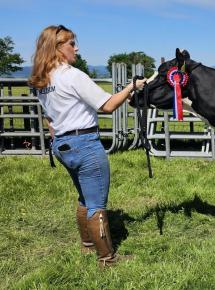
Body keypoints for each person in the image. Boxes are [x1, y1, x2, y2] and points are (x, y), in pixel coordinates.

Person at [28, 25, 146, 267]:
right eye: (72, 43)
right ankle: (107, 259)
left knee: (84, 197)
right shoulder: (73, 75)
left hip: (61, 144)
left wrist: (58, 138)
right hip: (85, 143)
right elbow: (107, 105)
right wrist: (130, 88)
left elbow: (49, 119)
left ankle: (87, 245)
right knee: (96, 204)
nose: (76, 48)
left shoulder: (41, 80)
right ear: (58, 48)